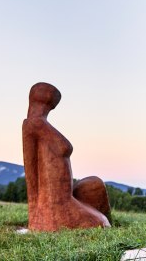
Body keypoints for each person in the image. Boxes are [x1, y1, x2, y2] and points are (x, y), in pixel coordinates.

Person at [22, 82, 110, 231]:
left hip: (65, 198)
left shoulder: (40, 124)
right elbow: (30, 171)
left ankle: (100, 215)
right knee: (101, 222)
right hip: (55, 203)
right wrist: (36, 214)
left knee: (95, 184)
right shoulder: (33, 125)